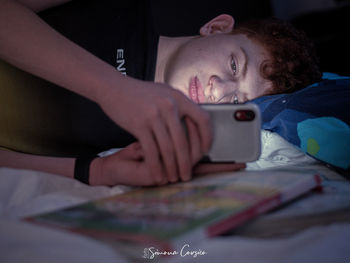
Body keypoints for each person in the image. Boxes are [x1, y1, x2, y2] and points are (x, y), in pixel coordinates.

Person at [0, 0, 321, 186]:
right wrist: (110, 86)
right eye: (235, 66)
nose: (219, 90)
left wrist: (99, 171)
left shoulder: (143, 135)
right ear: (217, 27)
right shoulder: (117, 7)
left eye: (237, 100)